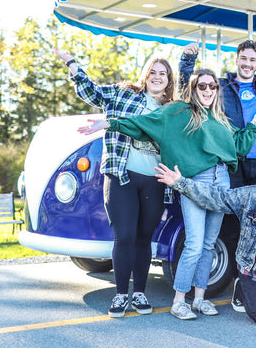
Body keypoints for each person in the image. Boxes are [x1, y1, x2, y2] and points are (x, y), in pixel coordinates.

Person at [77, 68, 256, 321]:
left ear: (217, 91)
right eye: (201, 86)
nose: (207, 91)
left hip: (221, 180)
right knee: (193, 244)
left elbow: (239, 146)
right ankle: (179, 301)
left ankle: (200, 299)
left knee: (208, 244)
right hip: (195, 181)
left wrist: (254, 124)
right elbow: (145, 124)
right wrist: (111, 123)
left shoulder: (221, 120)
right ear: (193, 90)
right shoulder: (179, 112)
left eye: (212, 86)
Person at [54, 48, 174, 318]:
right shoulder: (123, 94)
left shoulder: (171, 109)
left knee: (144, 238)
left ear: (169, 81)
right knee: (125, 236)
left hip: (155, 180)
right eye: (152, 72)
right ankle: (121, 295)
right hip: (121, 175)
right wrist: (72, 62)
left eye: (163, 74)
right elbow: (92, 92)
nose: (157, 77)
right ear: (145, 75)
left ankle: (140, 293)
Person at [154, 146, 256, 325]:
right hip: (255, 265)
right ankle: (242, 287)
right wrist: (181, 183)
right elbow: (218, 197)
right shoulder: (253, 195)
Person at [180, 39, 256, 187]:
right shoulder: (221, 86)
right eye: (243, 58)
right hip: (232, 160)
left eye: (252, 60)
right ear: (236, 59)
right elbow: (190, 93)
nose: (247, 64)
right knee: (231, 209)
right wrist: (187, 61)